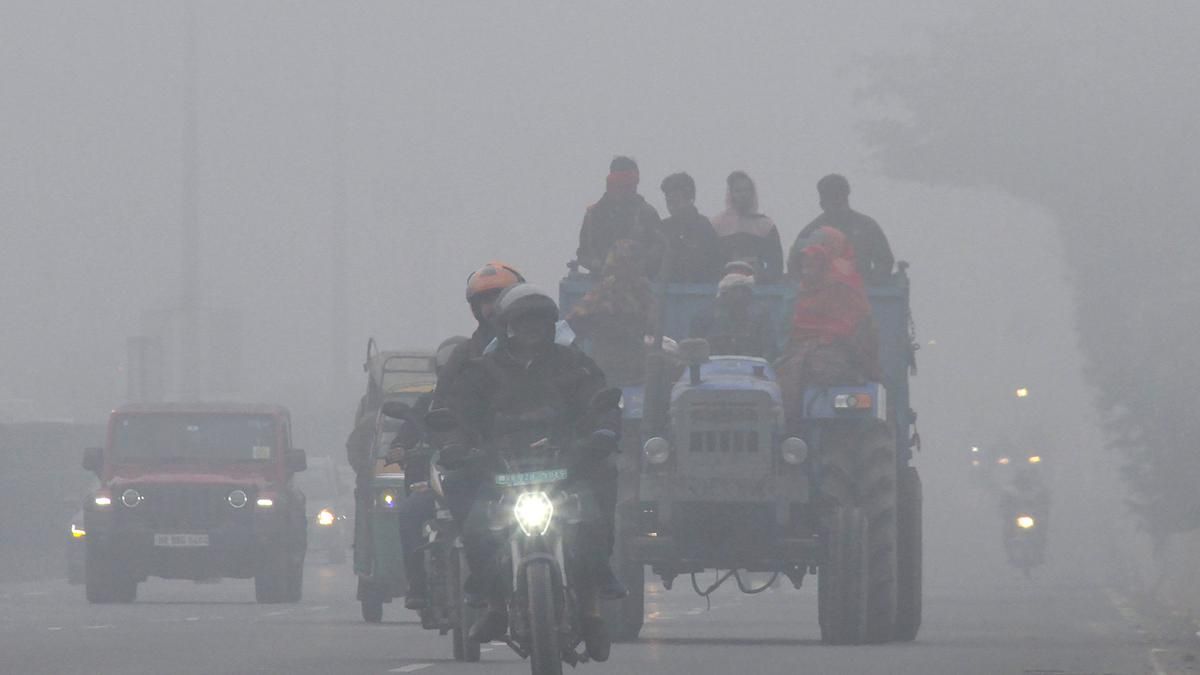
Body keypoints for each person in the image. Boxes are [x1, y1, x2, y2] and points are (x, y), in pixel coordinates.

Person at [453, 284, 625, 652]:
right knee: (476, 529)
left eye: (539, 322)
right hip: (502, 473)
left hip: (565, 468)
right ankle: (494, 604)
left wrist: (603, 431)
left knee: (593, 520)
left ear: (551, 326)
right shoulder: (479, 371)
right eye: (523, 323)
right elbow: (459, 417)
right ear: (507, 327)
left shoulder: (575, 364)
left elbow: (601, 401)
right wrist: (458, 446)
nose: (531, 330)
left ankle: (593, 609)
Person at [387, 336, 467, 611]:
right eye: (450, 371)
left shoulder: (484, 400)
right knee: (410, 512)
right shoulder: (427, 404)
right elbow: (407, 433)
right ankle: (417, 584)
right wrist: (399, 447)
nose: (456, 376)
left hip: (478, 482)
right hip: (439, 484)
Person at [776, 227, 879, 431]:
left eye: (813, 261)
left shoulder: (843, 287)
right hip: (805, 355)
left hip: (836, 356)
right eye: (804, 262)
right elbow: (789, 333)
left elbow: (855, 332)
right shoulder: (799, 293)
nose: (807, 267)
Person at [566, 239, 656, 386]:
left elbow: (652, 325)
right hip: (609, 364)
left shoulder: (642, 289)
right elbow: (575, 322)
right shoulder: (605, 290)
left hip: (635, 364)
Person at [790, 174, 894, 285]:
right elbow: (795, 265)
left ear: (846, 198)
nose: (836, 204)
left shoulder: (867, 227)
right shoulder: (811, 231)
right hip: (821, 297)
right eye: (831, 199)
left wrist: (869, 284)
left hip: (859, 296)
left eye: (839, 198)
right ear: (822, 203)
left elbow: (885, 261)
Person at [576, 156, 663, 277]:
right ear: (610, 182)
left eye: (629, 184)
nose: (624, 190)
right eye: (619, 183)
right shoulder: (593, 215)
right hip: (600, 286)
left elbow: (659, 249)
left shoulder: (647, 214)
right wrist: (599, 265)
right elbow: (583, 253)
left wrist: (638, 263)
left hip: (639, 287)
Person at [690, 264, 777, 360]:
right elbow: (694, 353)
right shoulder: (704, 316)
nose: (740, 295)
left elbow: (769, 351)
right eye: (736, 290)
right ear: (724, 293)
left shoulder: (761, 315)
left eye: (744, 291)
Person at [710, 171, 784, 283]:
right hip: (724, 289)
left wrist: (763, 278)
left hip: (757, 290)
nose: (743, 195)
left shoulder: (765, 225)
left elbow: (776, 265)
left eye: (747, 190)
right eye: (738, 190)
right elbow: (710, 261)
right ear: (731, 194)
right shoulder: (717, 224)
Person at [658, 172, 722, 283]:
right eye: (669, 202)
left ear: (690, 198)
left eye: (676, 201)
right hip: (667, 293)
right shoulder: (663, 228)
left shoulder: (704, 227)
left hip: (699, 293)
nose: (672, 207)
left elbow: (712, 264)